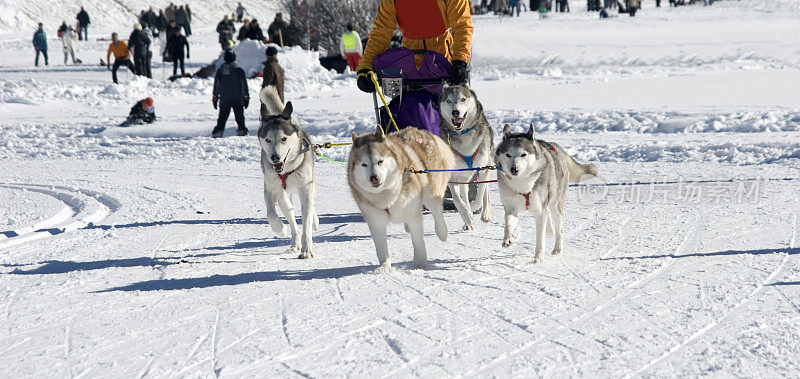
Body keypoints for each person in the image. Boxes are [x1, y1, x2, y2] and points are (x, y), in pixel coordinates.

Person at [356, 0, 473, 91]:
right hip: (410, 69)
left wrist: (459, 61)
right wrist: (366, 67)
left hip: (443, 63)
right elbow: (381, 33)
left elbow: (462, 26)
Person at [212, 50, 249, 138]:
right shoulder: (239, 70)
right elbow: (244, 85)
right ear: (234, 58)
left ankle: (218, 132)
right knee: (240, 117)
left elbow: (216, 85)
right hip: (238, 99)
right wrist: (246, 97)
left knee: (222, 118)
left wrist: (215, 97)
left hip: (225, 99)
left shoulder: (220, 71)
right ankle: (242, 130)